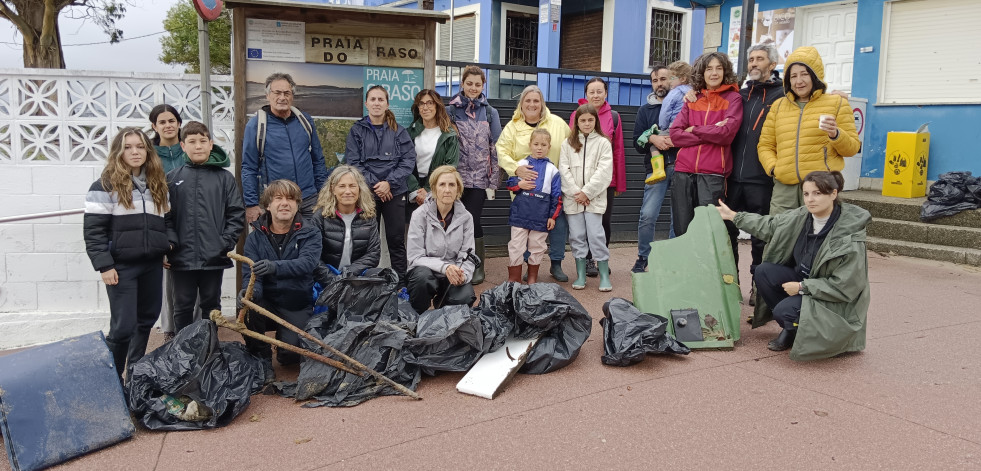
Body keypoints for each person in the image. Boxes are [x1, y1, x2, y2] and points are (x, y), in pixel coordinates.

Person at [716, 171, 870, 360]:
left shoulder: (849, 236)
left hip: (833, 300)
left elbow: (846, 286)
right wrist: (733, 216)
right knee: (763, 272)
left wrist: (802, 287)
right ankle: (792, 328)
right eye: (806, 194)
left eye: (817, 193)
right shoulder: (802, 216)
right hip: (806, 281)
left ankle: (805, 328)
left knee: (784, 310)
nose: (810, 199)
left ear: (833, 194)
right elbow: (770, 225)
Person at [83, 127, 170, 379]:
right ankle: (111, 381)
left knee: (146, 321)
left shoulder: (158, 185)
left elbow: (168, 221)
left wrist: (167, 245)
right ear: (119, 152)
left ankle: (134, 375)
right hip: (121, 268)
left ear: (148, 151)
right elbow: (94, 231)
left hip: (152, 265)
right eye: (128, 147)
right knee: (122, 327)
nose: (135, 152)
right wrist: (104, 265)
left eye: (140, 146)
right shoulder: (104, 185)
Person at [758, 46, 861, 215]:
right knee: (780, 236)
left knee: (818, 238)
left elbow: (852, 148)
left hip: (821, 186)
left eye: (804, 74)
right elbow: (765, 145)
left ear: (815, 76)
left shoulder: (837, 103)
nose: (799, 81)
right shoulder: (778, 107)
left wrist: (835, 134)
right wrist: (775, 168)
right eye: (793, 76)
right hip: (785, 189)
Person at [165, 121, 245, 334]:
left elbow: (236, 213)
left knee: (211, 305)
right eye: (192, 142)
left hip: (213, 257)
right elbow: (165, 217)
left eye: (202, 141)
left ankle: (209, 348)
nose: (197, 146)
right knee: (182, 305)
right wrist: (170, 246)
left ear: (211, 144)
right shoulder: (172, 179)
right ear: (183, 146)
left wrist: (224, 242)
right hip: (181, 258)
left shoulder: (224, 178)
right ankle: (181, 349)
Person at [239, 180, 322, 382]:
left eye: (290, 199)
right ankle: (262, 358)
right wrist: (251, 293)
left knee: (291, 356)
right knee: (248, 304)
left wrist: (275, 267)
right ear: (268, 205)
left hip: (296, 302)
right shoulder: (255, 237)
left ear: (297, 205)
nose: (285, 203)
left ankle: (283, 343)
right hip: (267, 301)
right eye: (278, 198)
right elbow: (251, 275)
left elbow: (307, 264)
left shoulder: (310, 232)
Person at [726, 44, 784, 307]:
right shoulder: (740, 94)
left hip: (761, 178)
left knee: (761, 237)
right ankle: (729, 284)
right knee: (727, 233)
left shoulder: (783, 95)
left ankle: (758, 289)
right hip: (732, 177)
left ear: (772, 64)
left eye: (760, 59)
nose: (753, 64)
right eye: (750, 60)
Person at [497, 85, 571, 281]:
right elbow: (501, 151)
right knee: (523, 232)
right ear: (521, 104)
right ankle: (521, 271)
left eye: (536, 101)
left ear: (542, 103)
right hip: (523, 192)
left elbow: (573, 145)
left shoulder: (557, 123)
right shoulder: (512, 126)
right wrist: (516, 170)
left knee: (555, 226)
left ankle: (556, 264)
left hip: (551, 187)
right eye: (527, 100)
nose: (532, 104)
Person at [345, 85, 416, 284]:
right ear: (366, 104)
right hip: (367, 193)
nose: (377, 103)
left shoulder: (399, 132)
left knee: (395, 240)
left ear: (387, 103)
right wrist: (377, 184)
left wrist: (389, 184)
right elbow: (353, 162)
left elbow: (408, 160)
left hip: (395, 192)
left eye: (380, 99)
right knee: (366, 241)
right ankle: (366, 284)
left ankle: (401, 285)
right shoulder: (357, 130)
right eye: (373, 99)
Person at [668, 51, 743, 236]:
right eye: (709, 69)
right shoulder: (693, 99)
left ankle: (707, 267)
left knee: (709, 231)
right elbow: (675, 135)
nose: (714, 73)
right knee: (682, 230)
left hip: (713, 174)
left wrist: (694, 129)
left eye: (719, 68)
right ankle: (685, 266)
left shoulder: (733, 99)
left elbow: (726, 134)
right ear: (702, 73)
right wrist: (711, 131)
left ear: (725, 72)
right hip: (683, 171)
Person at [242, 72, 329, 223]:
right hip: (277, 201)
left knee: (312, 243)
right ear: (268, 95)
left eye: (286, 93)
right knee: (279, 245)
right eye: (277, 92)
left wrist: (322, 193)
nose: (282, 97)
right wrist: (251, 203)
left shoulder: (305, 120)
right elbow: (249, 167)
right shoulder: (256, 125)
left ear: (292, 96)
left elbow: (318, 159)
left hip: (308, 198)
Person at [447, 66, 502, 285]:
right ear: (462, 83)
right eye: (469, 83)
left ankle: (476, 265)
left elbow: (496, 147)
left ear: (483, 86)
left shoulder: (490, 112)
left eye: (477, 84)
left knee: (473, 220)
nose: (473, 88)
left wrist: (494, 180)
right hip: (455, 177)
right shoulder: (450, 110)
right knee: (451, 220)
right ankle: (454, 263)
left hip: (479, 179)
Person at [568, 78, 625, 277]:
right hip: (580, 180)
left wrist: (617, 182)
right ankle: (585, 261)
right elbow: (571, 146)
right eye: (591, 92)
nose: (595, 95)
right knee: (581, 223)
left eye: (599, 91)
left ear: (606, 93)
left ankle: (599, 257)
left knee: (603, 221)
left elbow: (617, 151)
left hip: (604, 181)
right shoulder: (576, 115)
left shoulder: (614, 117)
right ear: (586, 94)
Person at [405, 165, 476, 313]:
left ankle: (445, 314)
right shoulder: (420, 215)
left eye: (452, 185)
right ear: (434, 188)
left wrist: (462, 275)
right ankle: (417, 316)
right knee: (421, 279)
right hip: (426, 271)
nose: (447, 189)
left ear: (458, 189)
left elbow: (468, 256)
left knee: (466, 296)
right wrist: (445, 267)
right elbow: (415, 256)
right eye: (442, 184)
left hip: (452, 273)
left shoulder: (466, 218)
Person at [559, 104, 613, 292]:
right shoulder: (568, 143)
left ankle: (604, 274)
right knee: (576, 236)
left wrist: (587, 192)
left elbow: (604, 171)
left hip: (593, 199)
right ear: (576, 122)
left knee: (596, 235)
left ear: (596, 121)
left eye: (590, 119)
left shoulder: (603, 143)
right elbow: (563, 170)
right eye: (583, 120)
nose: (587, 123)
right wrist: (576, 193)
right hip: (574, 199)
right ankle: (581, 274)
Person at [505, 128, 562, 284]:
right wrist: (520, 184)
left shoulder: (553, 170)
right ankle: (514, 278)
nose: (539, 148)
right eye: (536, 144)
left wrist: (552, 216)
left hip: (541, 215)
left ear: (549, 147)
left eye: (543, 145)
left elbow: (557, 196)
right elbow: (510, 184)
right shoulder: (521, 164)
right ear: (530, 145)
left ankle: (532, 278)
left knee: (537, 246)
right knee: (516, 245)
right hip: (520, 213)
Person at [632, 63, 674, 273]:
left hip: (680, 166)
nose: (659, 84)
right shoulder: (644, 110)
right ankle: (643, 257)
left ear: (672, 80)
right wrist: (653, 139)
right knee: (647, 215)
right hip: (655, 168)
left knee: (679, 215)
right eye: (655, 80)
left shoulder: (682, 104)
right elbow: (636, 143)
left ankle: (674, 258)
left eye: (663, 79)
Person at [149, 104, 185, 341]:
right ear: (154, 126)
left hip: (190, 221)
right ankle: (170, 330)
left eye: (171, 120)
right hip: (162, 223)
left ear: (179, 123)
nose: (168, 125)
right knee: (168, 280)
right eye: (162, 122)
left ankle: (195, 327)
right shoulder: (149, 156)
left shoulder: (189, 149)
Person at [310, 165, 381, 281]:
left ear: (359, 188)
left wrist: (347, 275)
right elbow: (313, 255)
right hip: (326, 278)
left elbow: (373, 254)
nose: (348, 191)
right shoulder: (320, 216)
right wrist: (332, 279)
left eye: (352, 186)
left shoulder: (368, 216)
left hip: (356, 276)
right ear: (333, 189)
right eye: (342, 186)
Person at [407, 89, 460, 212]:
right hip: (412, 187)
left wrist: (428, 189)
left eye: (430, 103)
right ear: (418, 108)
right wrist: (416, 191)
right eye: (421, 103)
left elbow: (450, 166)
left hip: (437, 187)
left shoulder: (449, 135)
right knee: (412, 229)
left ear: (437, 106)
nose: (425, 107)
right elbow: (403, 163)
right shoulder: (409, 133)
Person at [658, 61, 693, 132]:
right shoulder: (693, 91)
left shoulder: (674, 93)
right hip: (689, 127)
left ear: (683, 79)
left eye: (671, 78)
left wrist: (663, 127)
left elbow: (665, 112)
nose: (669, 81)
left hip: (674, 125)